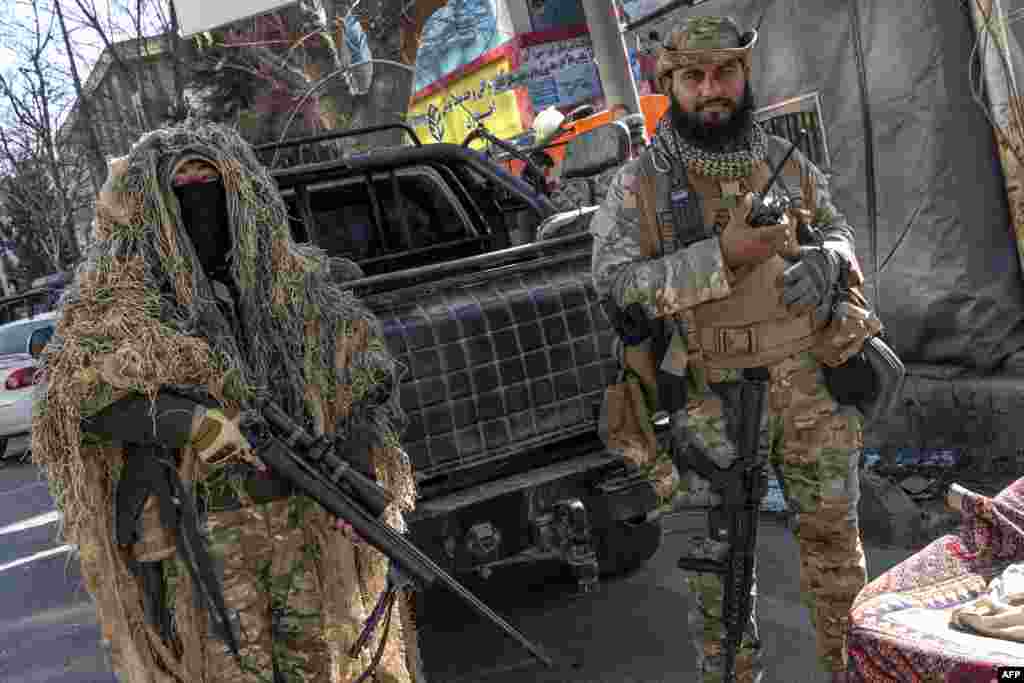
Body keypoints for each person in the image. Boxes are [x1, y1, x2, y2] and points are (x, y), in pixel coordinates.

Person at [32, 123, 423, 682]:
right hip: (205, 532)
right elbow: (85, 394)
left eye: (208, 177)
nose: (198, 191)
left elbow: (361, 379)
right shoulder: (126, 293)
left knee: (320, 665)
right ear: (156, 202)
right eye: (182, 180)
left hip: (302, 515)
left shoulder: (290, 286)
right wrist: (192, 423)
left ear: (239, 187)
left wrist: (354, 476)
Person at [591, 16, 874, 683]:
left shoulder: (787, 159)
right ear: (670, 84)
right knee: (721, 585)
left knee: (841, 566)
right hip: (713, 398)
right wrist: (719, 257)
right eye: (695, 76)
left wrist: (830, 262)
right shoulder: (640, 186)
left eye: (725, 72)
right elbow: (616, 287)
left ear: (745, 75)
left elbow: (838, 231)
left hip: (811, 383)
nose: (712, 89)